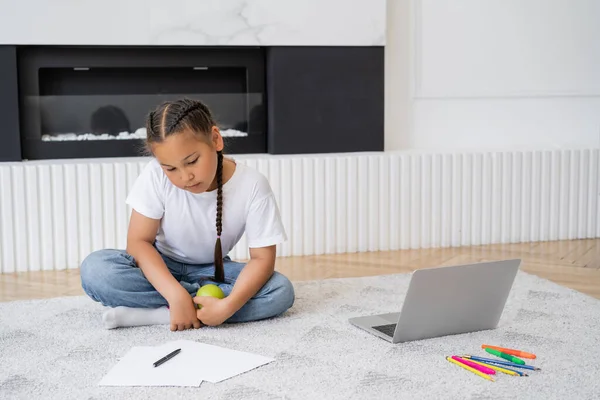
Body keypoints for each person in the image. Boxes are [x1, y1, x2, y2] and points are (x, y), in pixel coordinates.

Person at [80, 98, 295, 330]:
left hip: (214, 271)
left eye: (192, 161)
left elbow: (263, 259)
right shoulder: (154, 176)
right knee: (96, 270)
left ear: (216, 139)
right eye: (170, 168)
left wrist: (229, 305)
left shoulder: (253, 184)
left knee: (280, 291)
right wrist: (175, 293)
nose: (185, 177)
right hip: (162, 267)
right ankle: (190, 304)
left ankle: (160, 314)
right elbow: (138, 242)